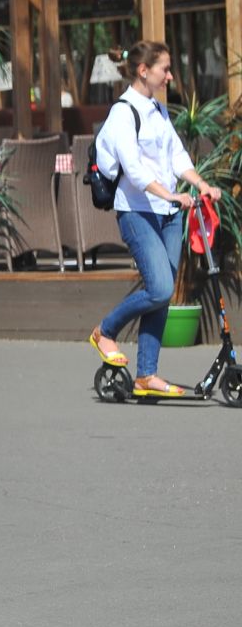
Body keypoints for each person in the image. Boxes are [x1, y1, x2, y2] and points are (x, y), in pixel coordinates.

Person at [88, 41, 218, 396]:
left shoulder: (158, 110)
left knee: (162, 295)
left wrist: (201, 185)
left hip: (168, 213)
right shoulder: (122, 113)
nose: (170, 75)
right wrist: (172, 194)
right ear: (144, 71)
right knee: (160, 287)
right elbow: (134, 169)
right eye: (165, 68)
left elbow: (176, 155)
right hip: (137, 210)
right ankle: (106, 331)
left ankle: (146, 375)